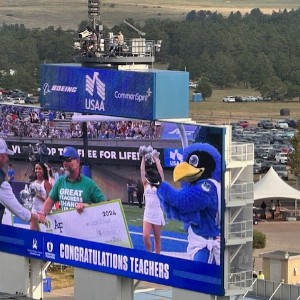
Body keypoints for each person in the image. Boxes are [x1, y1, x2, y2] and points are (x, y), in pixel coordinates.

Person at [39, 146, 106, 217]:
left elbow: (105, 205)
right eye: (63, 160)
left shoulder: (89, 184)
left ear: (77, 161)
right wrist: (43, 213)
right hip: (65, 225)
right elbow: (49, 202)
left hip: (83, 226)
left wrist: (88, 206)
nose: (64, 163)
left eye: (68, 159)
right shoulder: (60, 181)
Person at [0, 138, 42, 225]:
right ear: (1, 156)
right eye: (6, 155)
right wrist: (38, 217)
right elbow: (18, 210)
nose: (7, 158)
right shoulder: (2, 183)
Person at [140, 154, 165, 254]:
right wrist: (143, 158)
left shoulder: (160, 185)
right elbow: (142, 171)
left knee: (157, 237)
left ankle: (157, 256)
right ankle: (149, 253)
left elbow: (161, 172)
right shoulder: (145, 184)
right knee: (145, 236)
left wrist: (155, 158)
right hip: (148, 214)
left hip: (157, 213)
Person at [30, 162, 52, 230]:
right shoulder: (32, 183)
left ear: (43, 171)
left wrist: (38, 195)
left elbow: (49, 201)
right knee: (32, 233)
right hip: (34, 211)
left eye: (39, 169)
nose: (37, 171)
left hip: (43, 212)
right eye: (36, 169)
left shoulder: (46, 183)